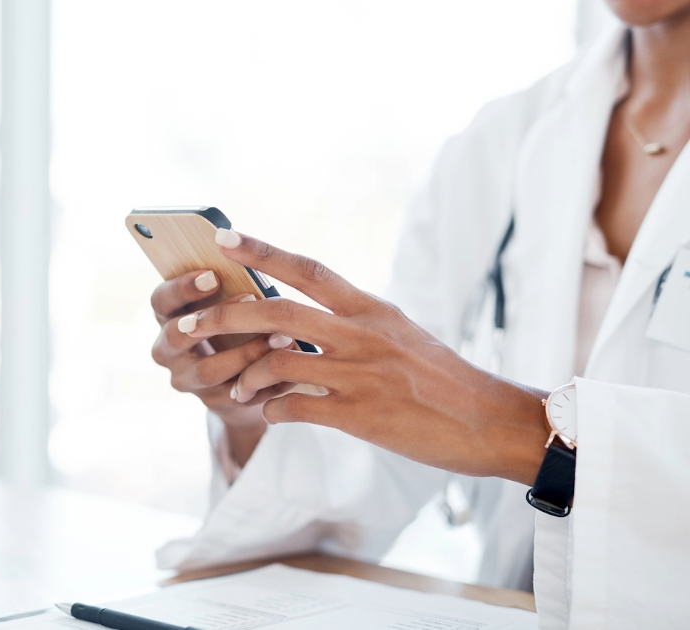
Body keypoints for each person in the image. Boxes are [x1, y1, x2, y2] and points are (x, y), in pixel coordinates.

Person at [146, 2, 690, 627]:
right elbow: (396, 448)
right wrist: (259, 408)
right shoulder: (504, 139)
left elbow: (465, 413)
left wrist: (523, 431)